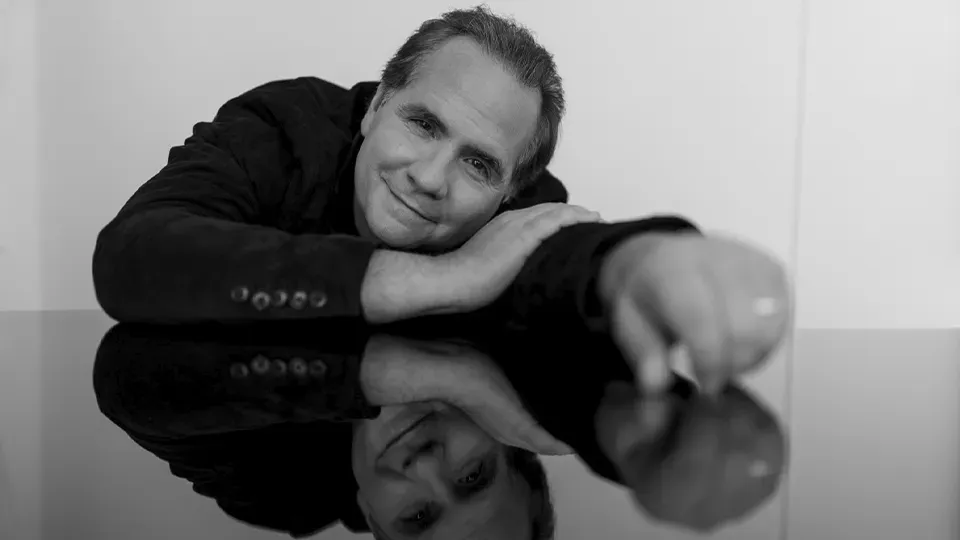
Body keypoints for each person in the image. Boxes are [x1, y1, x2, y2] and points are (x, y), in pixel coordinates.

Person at [92, 5, 790, 437]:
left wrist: (638, 263)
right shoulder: (281, 128)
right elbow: (132, 258)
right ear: (376, 105)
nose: (430, 178)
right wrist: (443, 279)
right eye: (421, 123)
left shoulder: (525, 207)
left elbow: (573, 263)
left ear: (510, 193)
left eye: (478, 165)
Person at [93, 321, 571, 538]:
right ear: (509, 436)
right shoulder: (507, 322)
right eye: (473, 477)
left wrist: (373, 376)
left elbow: (128, 371)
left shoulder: (276, 490)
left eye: (418, 518)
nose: (425, 467)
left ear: (374, 517)